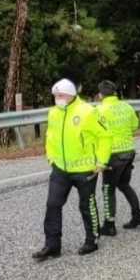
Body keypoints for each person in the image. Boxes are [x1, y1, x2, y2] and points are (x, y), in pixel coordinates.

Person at [33, 79, 112, 261]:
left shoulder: (88, 111)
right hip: (60, 168)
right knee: (53, 204)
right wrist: (51, 157)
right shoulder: (53, 113)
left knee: (86, 205)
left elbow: (105, 136)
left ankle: (92, 240)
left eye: (60, 95)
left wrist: (101, 161)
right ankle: (52, 245)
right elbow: (50, 137)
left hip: (85, 169)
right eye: (55, 96)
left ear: (70, 95)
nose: (57, 99)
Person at [96, 80, 140, 235]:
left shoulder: (99, 110)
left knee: (108, 189)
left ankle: (109, 225)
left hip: (113, 154)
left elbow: (96, 132)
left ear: (101, 95)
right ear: (114, 93)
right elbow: (135, 126)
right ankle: (138, 215)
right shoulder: (127, 106)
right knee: (124, 185)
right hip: (129, 152)